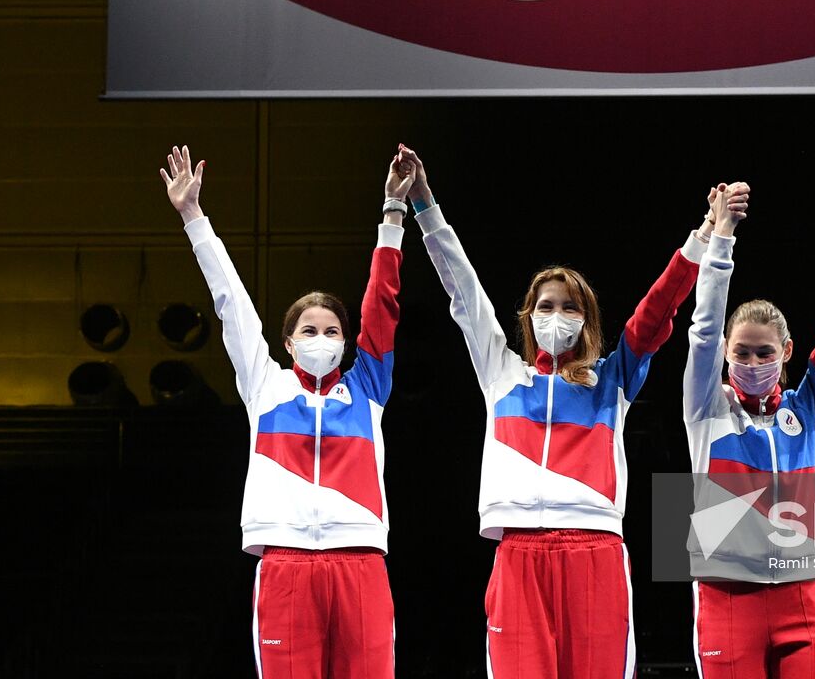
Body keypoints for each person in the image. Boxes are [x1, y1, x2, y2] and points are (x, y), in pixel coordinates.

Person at [394, 145, 719, 679]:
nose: (557, 314)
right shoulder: (502, 374)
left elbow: (657, 312)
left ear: (586, 320)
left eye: (570, 306)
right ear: (528, 315)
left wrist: (701, 237)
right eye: (546, 305)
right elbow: (462, 289)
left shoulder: (611, 380)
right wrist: (424, 203)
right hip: (518, 554)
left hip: (595, 552)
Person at [160, 143, 411, 678]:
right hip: (285, 565)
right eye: (309, 331)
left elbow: (382, 305)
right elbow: (231, 302)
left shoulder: (367, 389)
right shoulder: (265, 386)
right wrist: (193, 216)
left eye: (332, 331)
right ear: (289, 344)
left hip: (360, 562)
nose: (322, 339)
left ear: (347, 343)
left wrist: (393, 213)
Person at [684, 181, 815, 677]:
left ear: (786, 352)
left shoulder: (808, 410)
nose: (751, 363)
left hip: (802, 596)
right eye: (741, 353)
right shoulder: (707, 408)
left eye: (764, 353)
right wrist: (722, 237)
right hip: (726, 596)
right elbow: (703, 330)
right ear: (726, 352)